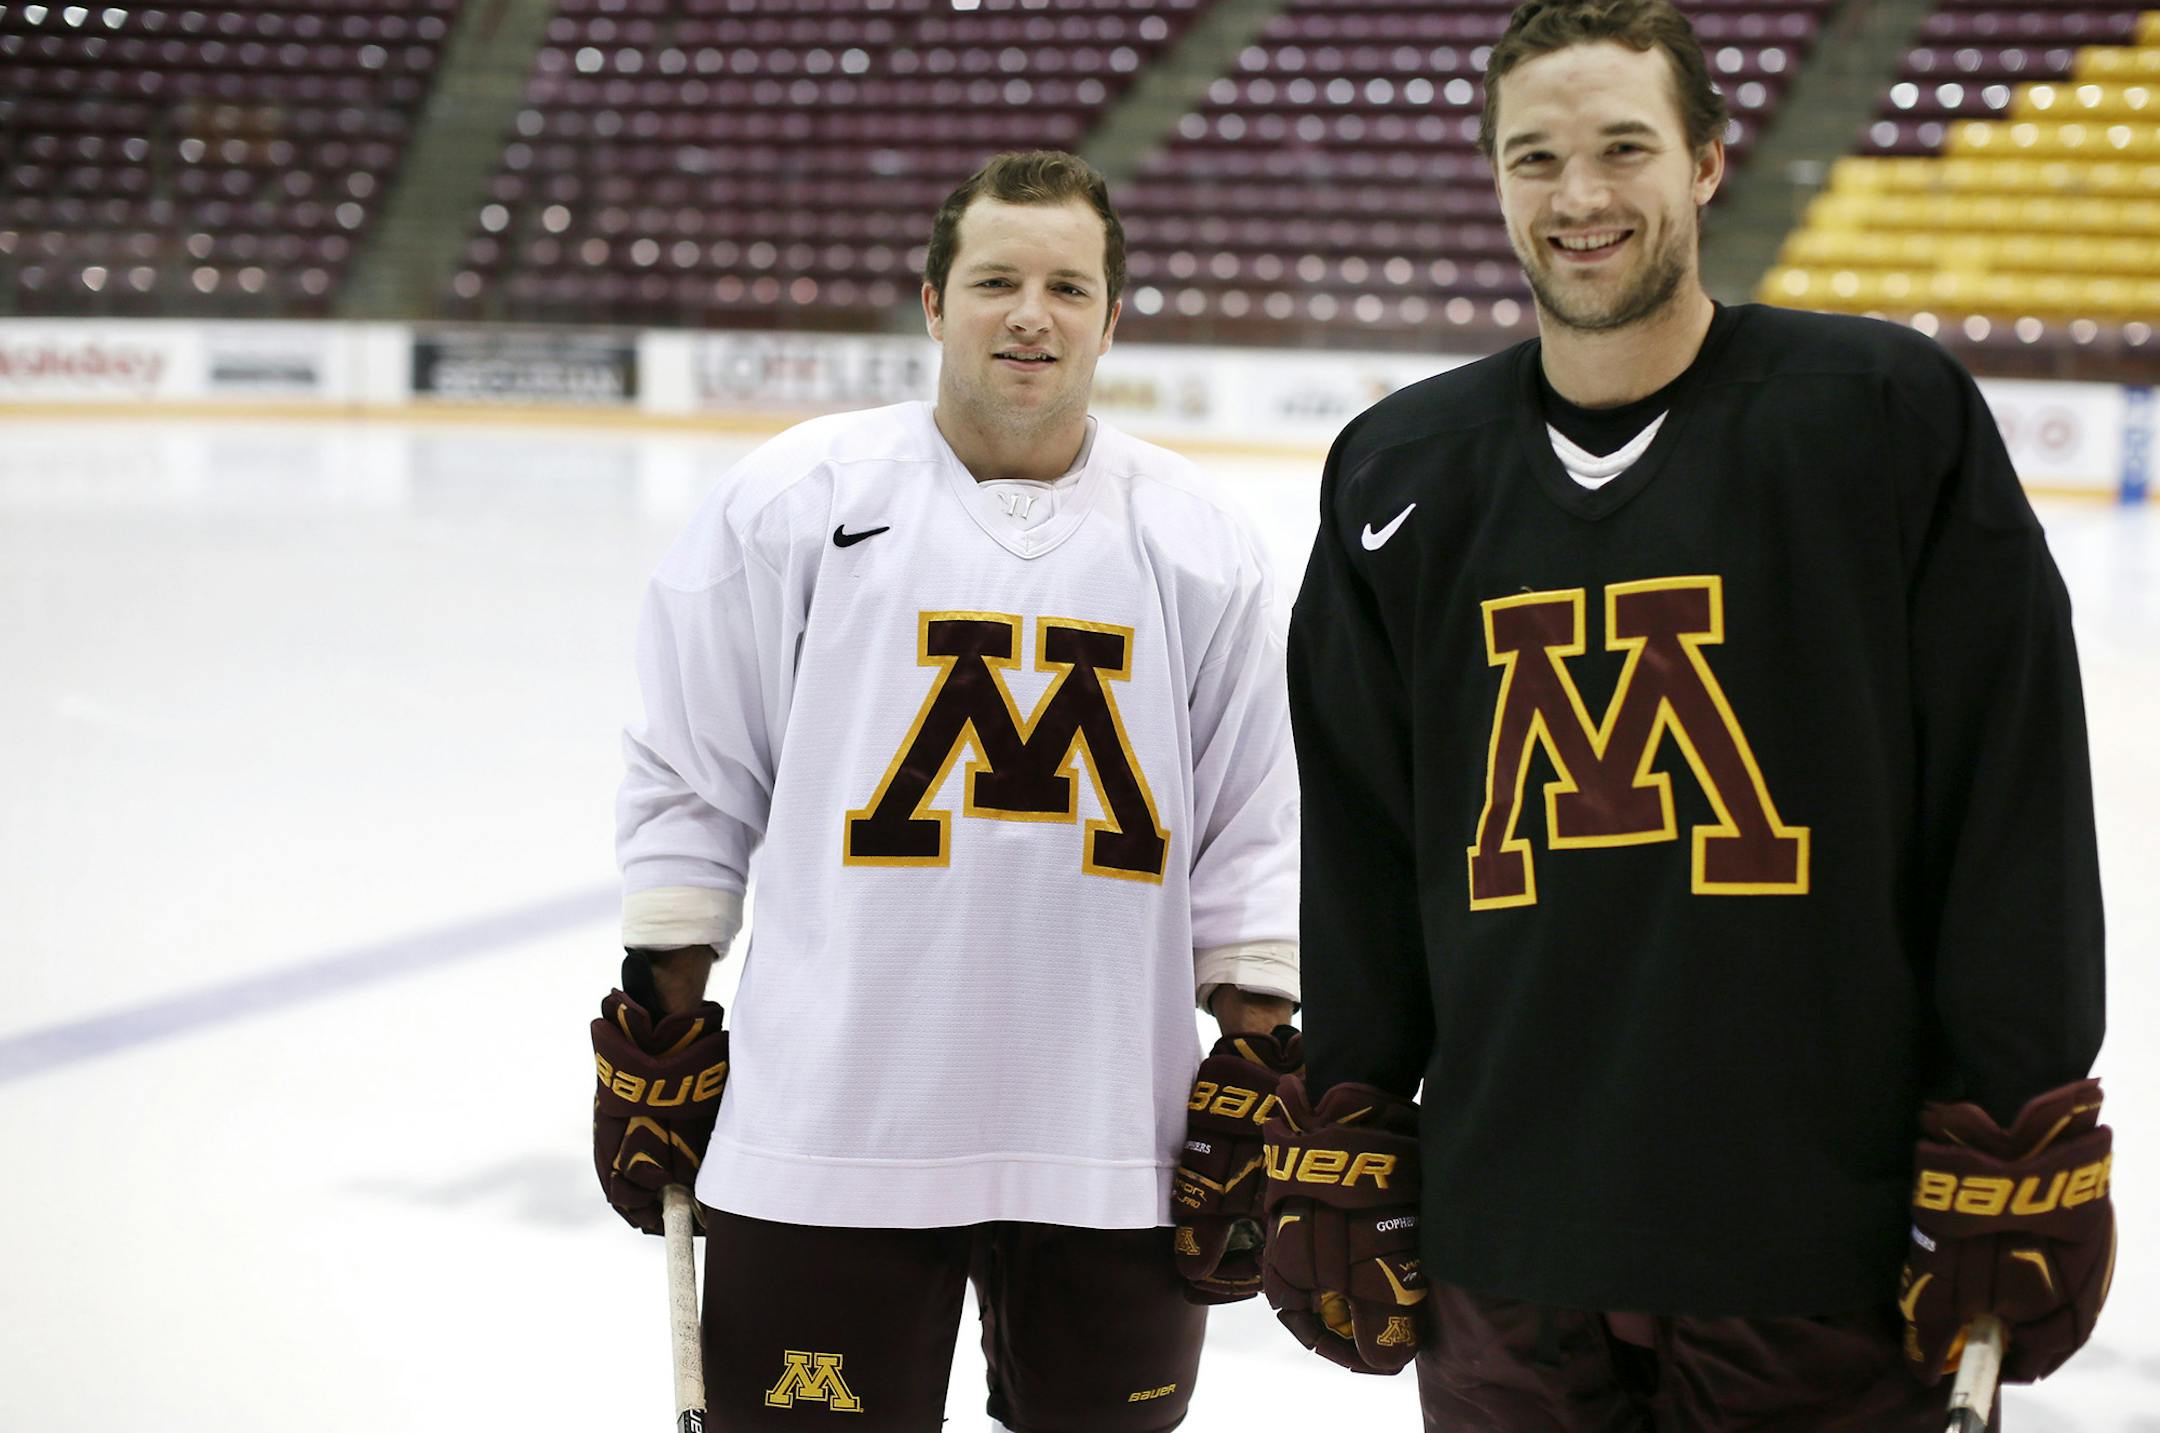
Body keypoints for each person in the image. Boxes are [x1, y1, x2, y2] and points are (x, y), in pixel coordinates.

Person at [1262, 0, 2113, 1426]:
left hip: (1813, 1251)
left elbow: (2010, 795)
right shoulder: (1395, 474)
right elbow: (1359, 844)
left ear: (1708, 161)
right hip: (1506, 1253)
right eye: (1534, 158)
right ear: (1492, 180)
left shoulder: (1886, 420)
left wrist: (2013, 1108)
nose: (1579, 196)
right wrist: (1351, 1106)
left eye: (1622, 148)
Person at [589, 149, 1301, 1433]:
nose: (1032, 313)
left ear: (1112, 317)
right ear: (931, 302)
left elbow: (1253, 820)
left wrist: (1254, 1050)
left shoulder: (1199, 535)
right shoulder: (797, 498)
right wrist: (662, 1004)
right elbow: (698, 771)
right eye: (996, 281)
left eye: (1068, 287)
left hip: (1111, 1141)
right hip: (829, 1123)